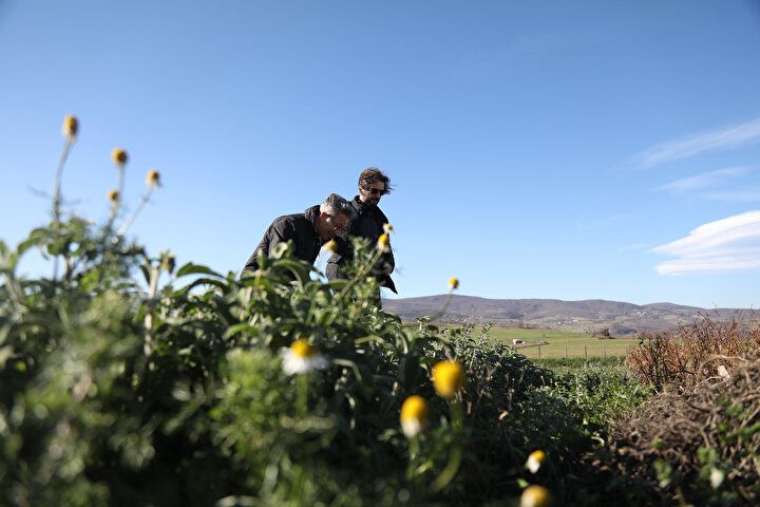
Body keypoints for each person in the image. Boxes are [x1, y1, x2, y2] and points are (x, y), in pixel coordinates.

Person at [326, 167, 397, 294]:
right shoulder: (342, 210)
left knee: (373, 313)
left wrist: (388, 265)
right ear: (361, 189)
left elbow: (385, 248)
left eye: (381, 192)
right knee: (345, 312)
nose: (378, 196)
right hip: (341, 271)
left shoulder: (380, 218)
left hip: (368, 276)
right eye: (374, 191)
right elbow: (321, 226)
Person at [243, 193, 353, 273]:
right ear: (324, 216)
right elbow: (277, 268)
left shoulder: (323, 233)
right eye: (337, 226)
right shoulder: (287, 225)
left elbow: (347, 248)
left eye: (342, 228)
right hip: (257, 289)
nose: (338, 232)